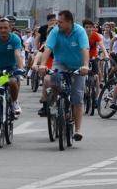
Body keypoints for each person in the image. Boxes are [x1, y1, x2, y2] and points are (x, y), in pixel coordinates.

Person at [38, 10, 89, 141]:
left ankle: (77, 130)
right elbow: (48, 48)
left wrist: (85, 65)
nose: (58, 24)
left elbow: (85, 49)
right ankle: (55, 102)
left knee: (77, 96)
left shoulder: (80, 31)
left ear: (69, 22)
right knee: (54, 78)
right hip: (60, 63)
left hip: (78, 66)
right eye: (57, 22)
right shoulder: (55, 31)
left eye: (60, 22)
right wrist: (43, 64)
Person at [83, 19, 109, 98]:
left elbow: (102, 46)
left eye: (90, 27)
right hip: (82, 58)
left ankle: (96, 97)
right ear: (84, 28)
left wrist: (106, 55)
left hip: (93, 57)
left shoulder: (95, 35)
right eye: (86, 27)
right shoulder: (81, 35)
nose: (88, 29)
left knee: (96, 77)